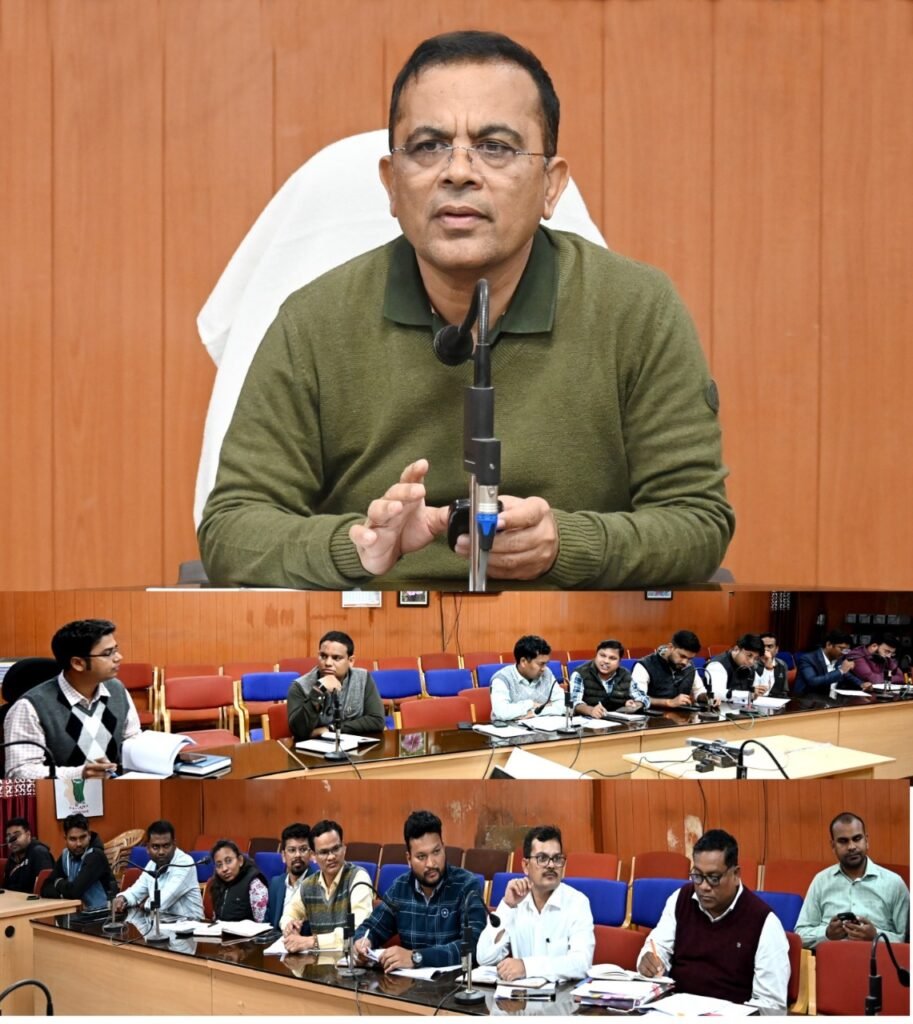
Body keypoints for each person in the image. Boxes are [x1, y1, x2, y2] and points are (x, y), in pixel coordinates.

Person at [197, 29, 733, 591]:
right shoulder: (314, 322)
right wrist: (355, 546)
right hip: (377, 633)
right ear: (391, 184)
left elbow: (698, 521)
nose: (458, 171)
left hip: (567, 633)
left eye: (495, 147)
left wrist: (564, 543)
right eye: (428, 146)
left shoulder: (637, 310)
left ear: (551, 186)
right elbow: (232, 527)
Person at [637, 829, 788, 1015]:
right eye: (697, 876)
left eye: (714, 878)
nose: (703, 886)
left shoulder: (764, 922)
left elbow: (771, 1007)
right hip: (674, 1012)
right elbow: (657, 947)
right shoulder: (680, 899)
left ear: (736, 875)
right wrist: (650, 961)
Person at [3, 619, 141, 780]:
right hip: (60, 793)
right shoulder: (30, 707)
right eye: (107, 653)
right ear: (78, 663)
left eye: (116, 650)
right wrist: (79, 774)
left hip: (113, 786)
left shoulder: (116, 689)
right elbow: (19, 771)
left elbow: (131, 739)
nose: (118, 657)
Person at [353, 810, 486, 971]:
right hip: (408, 984)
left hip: (455, 983)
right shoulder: (400, 888)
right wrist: (362, 943)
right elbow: (371, 927)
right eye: (421, 857)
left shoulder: (466, 886)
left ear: (443, 848)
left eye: (436, 852)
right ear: (409, 859)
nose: (431, 863)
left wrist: (416, 957)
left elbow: (472, 946)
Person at [477, 824, 594, 981]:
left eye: (557, 858)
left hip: (561, 994)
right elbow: (484, 958)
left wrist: (527, 967)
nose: (551, 865)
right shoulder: (516, 902)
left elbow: (582, 964)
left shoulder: (577, 903)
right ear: (526, 866)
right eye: (542, 858)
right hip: (520, 994)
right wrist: (507, 906)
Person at [795, 812, 909, 949]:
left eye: (857, 839)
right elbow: (800, 935)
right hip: (833, 958)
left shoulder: (894, 883)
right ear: (833, 846)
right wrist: (827, 934)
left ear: (866, 841)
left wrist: (875, 936)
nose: (851, 847)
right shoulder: (821, 881)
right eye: (843, 841)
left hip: (877, 959)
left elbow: (905, 940)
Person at [280, 819, 373, 951]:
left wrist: (312, 942)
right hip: (317, 961)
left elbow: (357, 931)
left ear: (344, 848)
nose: (331, 857)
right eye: (324, 852)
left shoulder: (357, 878)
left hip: (348, 960)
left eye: (335, 849)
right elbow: (289, 913)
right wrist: (290, 927)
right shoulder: (308, 885)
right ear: (313, 856)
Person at [286, 631, 385, 740]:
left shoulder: (363, 678)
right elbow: (298, 731)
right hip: (314, 747)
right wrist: (318, 691)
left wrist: (331, 729)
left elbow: (377, 721)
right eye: (323, 656)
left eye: (336, 658)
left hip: (355, 746)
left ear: (351, 661)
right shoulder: (300, 686)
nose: (328, 663)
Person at [113, 820, 203, 919]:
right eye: (155, 847)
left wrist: (144, 903)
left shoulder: (185, 863)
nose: (161, 852)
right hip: (162, 922)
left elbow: (160, 904)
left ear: (174, 845)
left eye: (166, 846)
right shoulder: (152, 864)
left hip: (191, 924)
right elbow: (135, 892)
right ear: (147, 848)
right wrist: (123, 898)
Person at [42, 813, 116, 910]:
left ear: (89, 835)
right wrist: (64, 892)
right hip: (76, 913)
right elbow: (45, 888)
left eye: (83, 837)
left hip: (101, 913)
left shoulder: (96, 856)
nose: (78, 844)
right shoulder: (66, 855)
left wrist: (58, 883)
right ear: (65, 839)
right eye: (73, 839)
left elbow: (75, 892)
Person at [490, 636, 564, 721]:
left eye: (546, 663)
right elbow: (502, 712)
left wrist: (535, 712)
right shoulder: (502, 678)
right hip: (510, 727)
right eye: (541, 664)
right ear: (523, 662)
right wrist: (531, 704)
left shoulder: (546, 673)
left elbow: (564, 705)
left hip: (541, 726)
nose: (544, 668)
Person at [569, 639, 649, 717]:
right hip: (589, 721)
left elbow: (643, 698)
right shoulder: (581, 673)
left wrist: (635, 705)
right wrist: (591, 710)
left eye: (612, 658)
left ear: (619, 661)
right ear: (596, 655)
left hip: (619, 721)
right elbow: (573, 702)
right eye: (602, 656)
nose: (606, 661)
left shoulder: (625, 675)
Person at [631, 631, 710, 709]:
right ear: (671, 647)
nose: (685, 662)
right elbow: (638, 698)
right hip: (652, 715)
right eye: (682, 656)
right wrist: (668, 702)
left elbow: (699, 691)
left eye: (690, 659)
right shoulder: (645, 666)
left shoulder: (689, 666)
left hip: (683, 715)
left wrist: (707, 698)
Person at [267, 822, 317, 928]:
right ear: (283, 856)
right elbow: (267, 923)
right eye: (292, 850)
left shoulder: (318, 884)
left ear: (311, 854)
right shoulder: (276, 883)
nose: (297, 855)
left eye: (303, 849)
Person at [208, 839, 268, 922]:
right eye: (219, 865)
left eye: (228, 861)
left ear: (240, 860)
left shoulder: (254, 884)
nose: (224, 869)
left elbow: (262, 922)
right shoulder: (217, 884)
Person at [795, 631, 865, 697]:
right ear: (828, 645)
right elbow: (813, 681)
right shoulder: (808, 659)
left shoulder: (838, 658)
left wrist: (861, 684)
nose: (843, 652)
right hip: (808, 700)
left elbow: (847, 675)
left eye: (846, 650)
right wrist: (841, 671)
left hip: (832, 700)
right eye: (841, 648)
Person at [704, 634, 766, 701]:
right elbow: (717, 693)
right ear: (736, 649)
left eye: (756, 658)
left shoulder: (749, 666)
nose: (751, 661)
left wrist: (758, 691)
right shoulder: (717, 665)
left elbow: (758, 689)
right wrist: (748, 694)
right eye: (749, 655)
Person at [2, 816, 54, 893]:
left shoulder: (39, 853)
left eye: (17, 835)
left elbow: (44, 887)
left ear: (28, 834)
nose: (12, 840)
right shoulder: (12, 857)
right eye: (9, 836)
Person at [755, 633, 790, 698]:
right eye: (763, 646)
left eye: (770, 646)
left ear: (776, 649)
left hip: (777, 701)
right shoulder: (752, 664)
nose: (766, 649)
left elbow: (784, 691)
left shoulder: (782, 664)